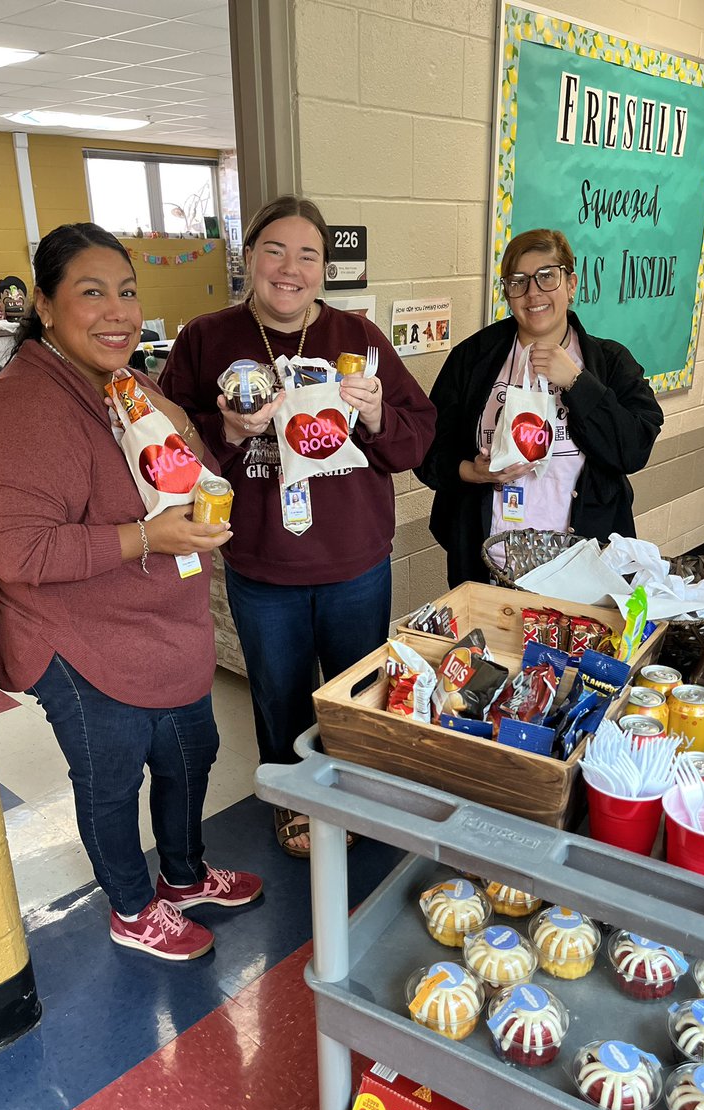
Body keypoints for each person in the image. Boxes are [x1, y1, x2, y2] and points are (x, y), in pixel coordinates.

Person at [0, 223, 263, 963]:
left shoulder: (127, 385)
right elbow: (19, 551)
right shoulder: (22, 407)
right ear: (44, 304)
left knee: (191, 753)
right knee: (111, 779)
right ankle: (131, 907)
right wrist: (146, 538)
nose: (118, 312)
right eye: (92, 293)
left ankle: (184, 876)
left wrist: (221, 438)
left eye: (127, 292)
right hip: (80, 641)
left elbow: (180, 468)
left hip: (163, 626)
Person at [159, 195, 436, 857]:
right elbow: (165, 451)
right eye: (275, 251)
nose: (290, 269)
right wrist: (228, 430)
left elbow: (417, 438)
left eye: (307, 255)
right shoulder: (206, 339)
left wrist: (377, 416)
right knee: (279, 695)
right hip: (263, 563)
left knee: (356, 693)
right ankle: (292, 799)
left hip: (354, 561)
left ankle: (355, 791)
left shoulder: (358, 339)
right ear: (249, 257)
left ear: (324, 269)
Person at [417, 228, 663, 588]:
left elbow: (634, 449)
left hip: (581, 569)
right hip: (489, 566)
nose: (533, 293)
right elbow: (427, 449)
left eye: (547, 276)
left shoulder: (609, 362)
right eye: (518, 281)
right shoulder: (473, 358)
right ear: (507, 293)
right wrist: (473, 472)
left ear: (571, 285)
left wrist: (578, 383)